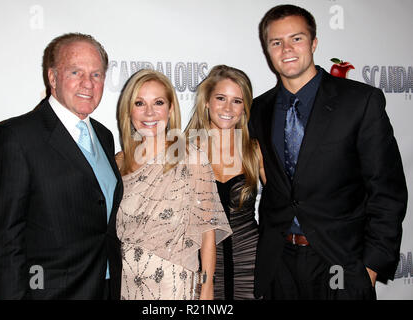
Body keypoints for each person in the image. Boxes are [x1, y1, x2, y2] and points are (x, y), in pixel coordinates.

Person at [250, 5, 408, 300]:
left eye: (296, 39)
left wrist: (370, 268)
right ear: (267, 49)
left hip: (340, 262)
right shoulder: (259, 109)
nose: (286, 49)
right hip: (279, 261)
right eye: (276, 42)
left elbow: (387, 191)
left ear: (314, 43)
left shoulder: (360, 102)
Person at [0, 33, 123, 299]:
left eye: (96, 75)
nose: (88, 83)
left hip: (107, 290)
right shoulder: (16, 137)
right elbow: (5, 243)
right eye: (75, 72)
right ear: (52, 77)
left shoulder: (104, 136)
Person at [115, 69, 232, 300]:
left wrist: (206, 290)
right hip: (125, 284)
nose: (149, 112)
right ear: (128, 111)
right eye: (139, 103)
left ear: (170, 109)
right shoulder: (118, 163)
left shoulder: (191, 157)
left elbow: (208, 232)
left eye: (158, 102)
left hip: (174, 284)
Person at [185, 65, 265, 299]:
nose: (228, 108)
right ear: (207, 101)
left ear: (245, 108)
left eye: (237, 101)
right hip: (198, 263)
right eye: (221, 98)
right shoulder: (184, 149)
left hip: (250, 260)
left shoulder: (254, 151)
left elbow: (287, 201)